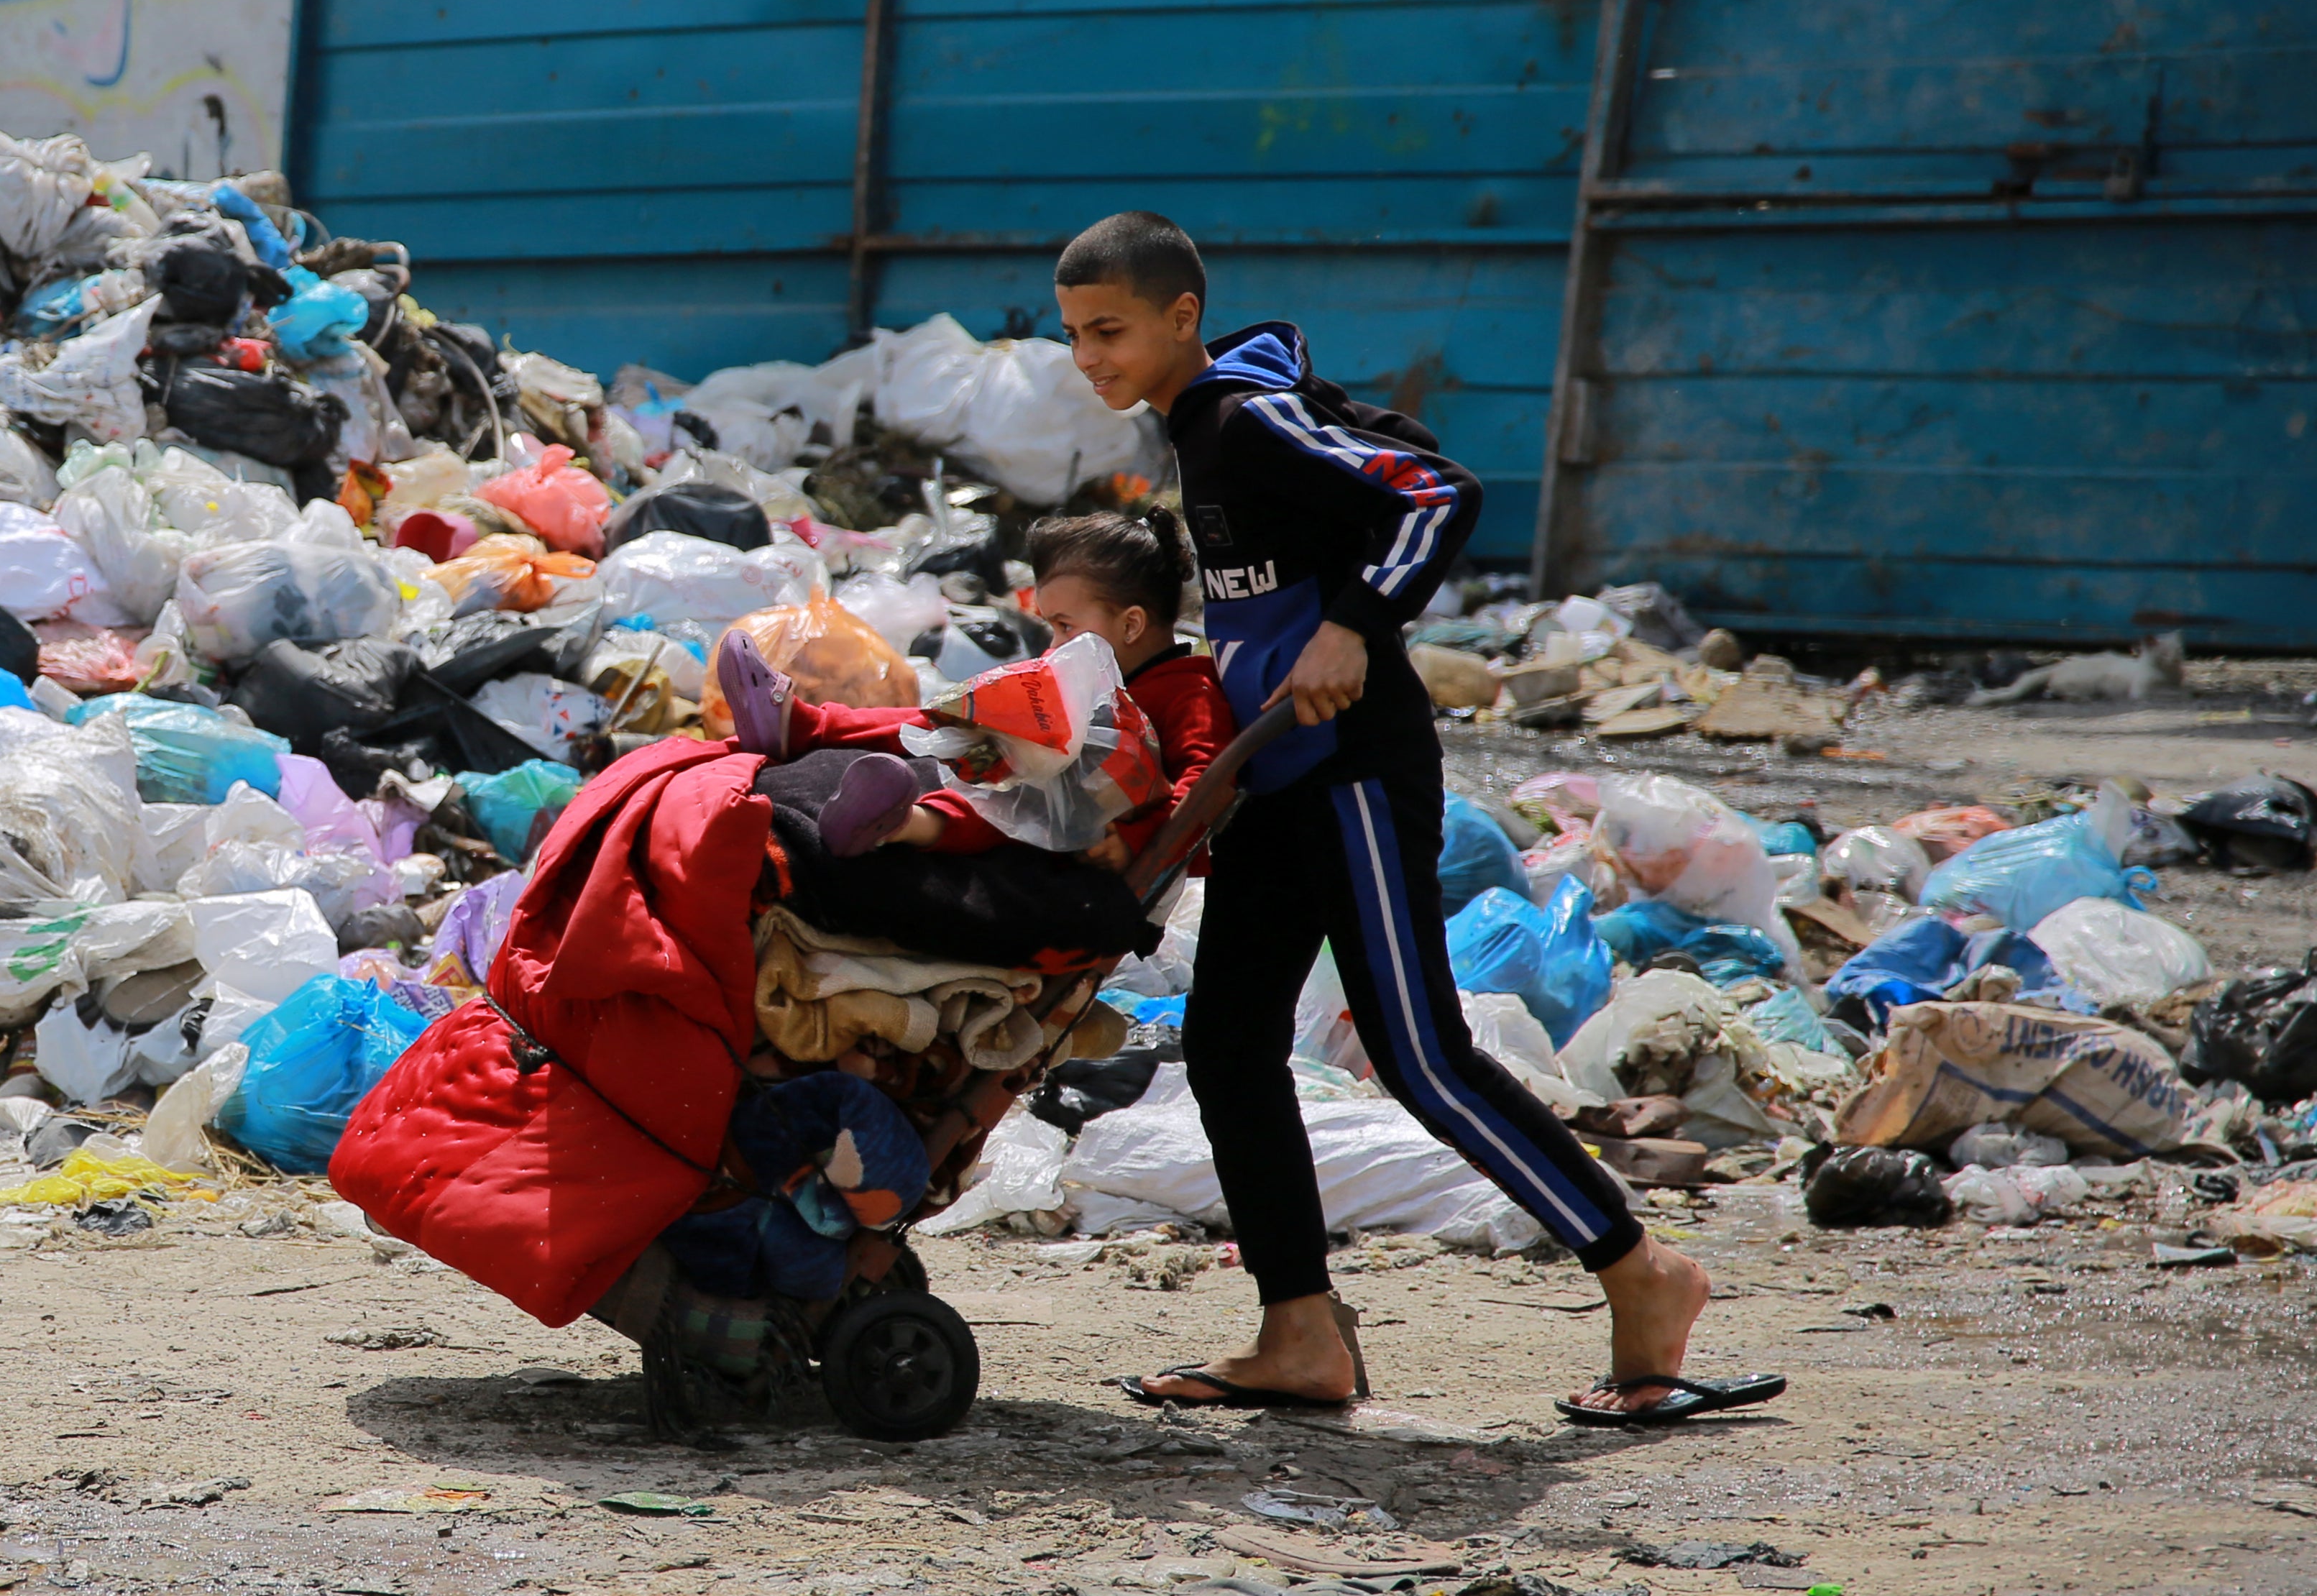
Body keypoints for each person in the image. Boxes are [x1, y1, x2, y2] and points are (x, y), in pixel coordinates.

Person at [1055, 210, 1778, 1428]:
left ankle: (1645, 1275)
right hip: (1276, 782)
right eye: (1074, 334)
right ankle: (1299, 1335)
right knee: (1230, 1046)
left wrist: (1354, 623)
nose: (1088, 355)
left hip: (1350, 779)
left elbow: (1437, 489)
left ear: (1182, 315)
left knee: (1420, 1053)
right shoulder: (1201, 437)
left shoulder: (1241, 415)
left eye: (1110, 329)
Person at [717, 505, 1229, 869]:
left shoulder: (1188, 693)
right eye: (1049, 626)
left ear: (1133, 625)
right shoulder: (1079, 674)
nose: (1053, 646)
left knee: (1007, 793)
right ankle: (804, 724)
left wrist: (1136, 841)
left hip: (1072, 828)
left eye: (1066, 627)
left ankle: (897, 822)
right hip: (1030, 775)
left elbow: (1206, 790)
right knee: (953, 719)